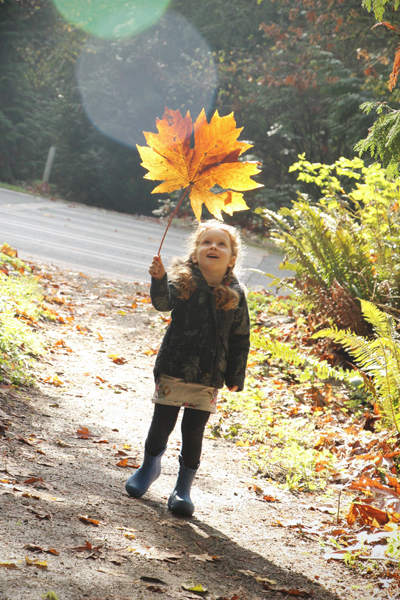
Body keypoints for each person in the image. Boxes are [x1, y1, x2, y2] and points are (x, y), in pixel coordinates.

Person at [125, 219, 250, 517]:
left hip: (209, 375)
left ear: (232, 258)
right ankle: (149, 468)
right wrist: (159, 278)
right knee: (162, 425)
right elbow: (162, 303)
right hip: (175, 367)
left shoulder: (235, 293)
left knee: (194, 432)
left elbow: (241, 336)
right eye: (207, 242)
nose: (214, 247)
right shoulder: (184, 281)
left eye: (222, 244)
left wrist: (235, 375)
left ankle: (183, 487)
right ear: (195, 252)